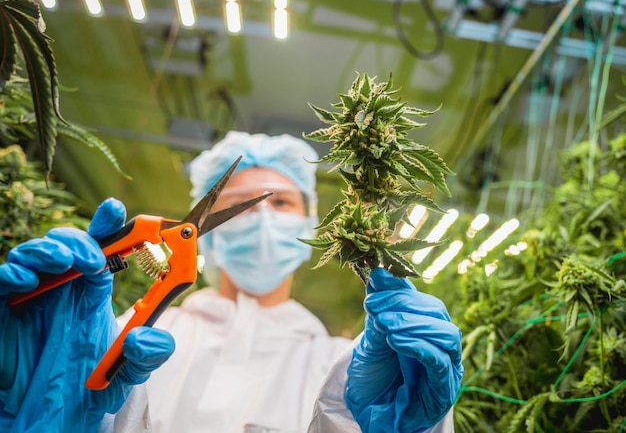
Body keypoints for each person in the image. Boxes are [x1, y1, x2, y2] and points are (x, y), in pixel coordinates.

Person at [0, 130, 463, 432]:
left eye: (281, 203)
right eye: (243, 203)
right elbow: (68, 402)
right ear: (208, 233)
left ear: (310, 225)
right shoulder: (137, 337)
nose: (261, 216)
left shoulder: (347, 367)